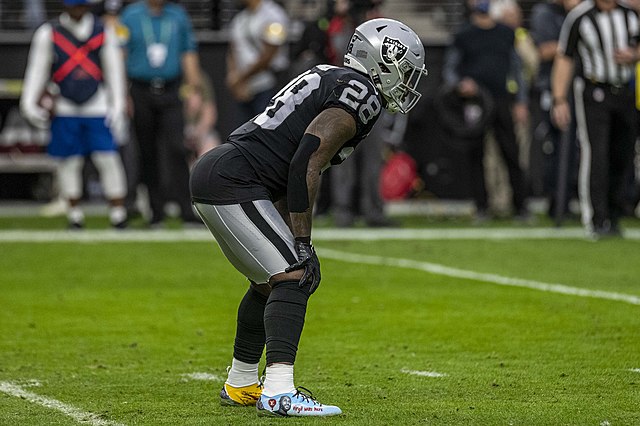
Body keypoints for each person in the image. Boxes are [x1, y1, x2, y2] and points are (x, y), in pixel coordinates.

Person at [190, 18, 427, 417]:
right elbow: (306, 161)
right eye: (404, 70)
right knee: (294, 274)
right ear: (383, 60)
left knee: (269, 282)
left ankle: (242, 382)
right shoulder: (361, 93)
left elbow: (289, 167)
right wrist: (302, 242)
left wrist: (293, 235)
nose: (406, 81)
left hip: (227, 174)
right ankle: (279, 391)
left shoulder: (335, 77)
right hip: (234, 180)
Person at [20, 0, 128, 229]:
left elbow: (114, 71)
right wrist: (28, 104)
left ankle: (118, 213)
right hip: (65, 105)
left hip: (97, 105)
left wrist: (118, 106)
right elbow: (37, 71)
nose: (77, 11)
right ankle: (75, 215)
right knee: (69, 161)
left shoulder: (102, 31)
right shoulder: (49, 32)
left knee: (107, 158)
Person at [551, 0, 640, 238]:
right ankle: (596, 218)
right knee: (596, 153)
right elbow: (564, 56)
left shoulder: (631, 14)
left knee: (623, 154)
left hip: (626, 91)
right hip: (594, 91)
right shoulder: (580, 17)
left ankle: (614, 214)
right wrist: (559, 98)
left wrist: (634, 55)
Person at [443, 0, 530, 221]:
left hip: (501, 100)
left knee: (511, 153)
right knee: (476, 154)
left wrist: (521, 101)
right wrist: (461, 85)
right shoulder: (463, 35)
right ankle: (481, 206)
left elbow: (516, 69)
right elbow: (450, 69)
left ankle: (521, 206)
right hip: (475, 102)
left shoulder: (505, 33)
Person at [119, 0, 202, 227]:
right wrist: (122, 93)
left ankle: (186, 210)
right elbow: (121, 54)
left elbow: (188, 52)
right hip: (140, 90)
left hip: (171, 89)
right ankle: (156, 212)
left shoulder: (177, 15)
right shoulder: (130, 16)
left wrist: (194, 89)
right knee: (147, 151)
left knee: (177, 148)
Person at [529, 0, 581, 220]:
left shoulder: (581, 13)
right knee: (556, 146)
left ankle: (568, 200)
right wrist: (577, 41)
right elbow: (544, 50)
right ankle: (555, 201)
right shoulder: (545, 13)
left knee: (575, 148)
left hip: (579, 89)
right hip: (553, 88)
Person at [226, 0, 290, 126]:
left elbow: (269, 54)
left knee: (267, 129)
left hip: (269, 85)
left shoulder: (275, 15)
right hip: (244, 89)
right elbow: (232, 50)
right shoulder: (240, 18)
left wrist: (241, 79)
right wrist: (233, 76)